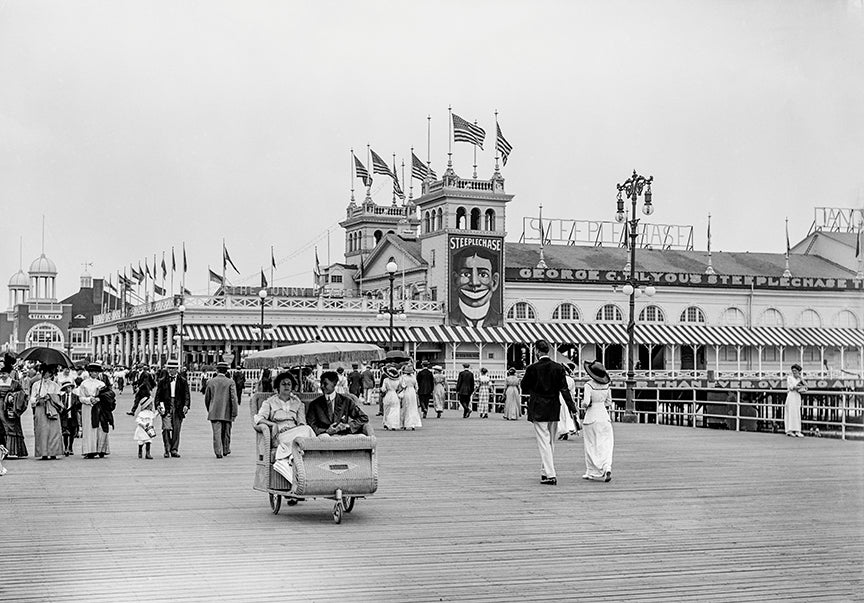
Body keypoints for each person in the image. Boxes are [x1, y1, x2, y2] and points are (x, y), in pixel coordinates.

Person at [520, 340, 577, 486]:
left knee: (543, 441)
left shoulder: (532, 368)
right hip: (553, 406)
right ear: (548, 351)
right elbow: (564, 389)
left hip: (538, 406)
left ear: (537, 351)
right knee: (551, 441)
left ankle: (550, 474)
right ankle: (545, 472)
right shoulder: (558, 368)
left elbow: (524, 386)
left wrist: (536, 386)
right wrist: (572, 408)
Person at [253, 371, 315, 486]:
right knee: (306, 431)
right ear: (277, 386)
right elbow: (258, 418)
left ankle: (297, 461)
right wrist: (273, 425)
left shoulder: (297, 403)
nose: (286, 386)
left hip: (295, 433)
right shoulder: (269, 402)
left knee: (306, 429)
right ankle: (296, 457)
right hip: (280, 435)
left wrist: (296, 429)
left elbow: (302, 423)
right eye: (283, 384)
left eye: (289, 384)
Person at [449, 244, 502, 327]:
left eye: (483, 275)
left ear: (494, 282)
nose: (474, 283)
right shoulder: (449, 319)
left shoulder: (500, 321)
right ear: (455, 280)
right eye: (466, 274)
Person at [306, 370, 370, 436]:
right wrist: (326, 431)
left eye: (325, 384)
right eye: (321, 383)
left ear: (334, 384)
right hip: (323, 437)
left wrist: (347, 426)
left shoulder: (346, 401)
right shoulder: (314, 404)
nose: (322, 386)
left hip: (343, 436)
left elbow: (363, 417)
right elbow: (311, 424)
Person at [581, 360, 614, 482]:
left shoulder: (588, 385)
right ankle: (607, 466)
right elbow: (609, 402)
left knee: (591, 444)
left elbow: (585, 402)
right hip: (604, 417)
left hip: (592, 416)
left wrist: (583, 405)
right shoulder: (607, 385)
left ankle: (591, 471)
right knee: (605, 444)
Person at [155, 360, 190, 458]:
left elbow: (187, 394)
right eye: (169, 368)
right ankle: (167, 448)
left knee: (176, 429)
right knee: (166, 428)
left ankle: (174, 449)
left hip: (178, 406)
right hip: (166, 406)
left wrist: (186, 405)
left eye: (173, 368)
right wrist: (157, 405)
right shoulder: (162, 381)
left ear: (176, 369)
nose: (170, 370)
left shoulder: (182, 380)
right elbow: (158, 395)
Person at [204, 361, 238, 458]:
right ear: (226, 371)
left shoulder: (211, 382)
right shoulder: (230, 382)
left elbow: (207, 398)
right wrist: (234, 412)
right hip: (227, 410)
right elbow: (233, 398)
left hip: (214, 411)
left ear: (217, 370)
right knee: (226, 432)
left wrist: (210, 408)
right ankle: (226, 449)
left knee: (217, 433)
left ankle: (218, 451)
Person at [30, 364, 64, 460]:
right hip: (40, 408)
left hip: (52, 409)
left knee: (54, 431)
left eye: (49, 373)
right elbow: (31, 398)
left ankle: (53, 452)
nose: (46, 375)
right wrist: (36, 399)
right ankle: (43, 452)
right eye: (44, 372)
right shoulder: (36, 385)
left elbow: (59, 398)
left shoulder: (55, 385)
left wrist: (50, 397)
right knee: (41, 431)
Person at [0, 355, 28, 458]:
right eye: (1, 373)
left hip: (10, 408)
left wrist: (13, 396)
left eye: (4, 373)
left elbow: (22, 394)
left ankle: (13, 451)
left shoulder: (15, 383)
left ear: (9, 373)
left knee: (11, 427)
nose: (2, 375)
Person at [58, 377, 79, 456]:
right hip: (64, 417)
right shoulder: (61, 397)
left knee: (72, 433)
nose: (68, 389)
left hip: (73, 417)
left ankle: (70, 447)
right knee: (65, 433)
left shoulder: (76, 397)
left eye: (69, 387)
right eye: (66, 388)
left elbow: (78, 406)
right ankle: (66, 447)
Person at [557, 364, 578, 440]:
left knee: (561, 414)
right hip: (568, 397)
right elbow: (573, 392)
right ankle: (570, 428)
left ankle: (563, 430)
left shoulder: (559, 378)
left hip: (560, 396)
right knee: (568, 413)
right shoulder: (571, 380)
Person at [785, 364, 806, 438]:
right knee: (790, 412)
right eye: (793, 371)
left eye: (795, 371)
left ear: (799, 371)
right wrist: (796, 387)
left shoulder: (799, 379)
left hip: (797, 396)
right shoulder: (789, 378)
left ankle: (797, 430)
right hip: (791, 395)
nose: (794, 372)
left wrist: (800, 377)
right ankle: (789, 430)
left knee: (797, 412)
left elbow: (806, 385)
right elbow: (790, 387)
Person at [133, 394, 157, 460]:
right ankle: (140, 450)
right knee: (141, 441)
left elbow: (153, 416)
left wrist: (158, 412)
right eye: (151, 404)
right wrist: (143, 424)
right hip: (142, 430)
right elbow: (138, 420)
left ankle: (148, 453)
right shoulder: (141, 413)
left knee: (148, 441)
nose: (152, 405)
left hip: (149, 430)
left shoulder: (150, 413)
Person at [379, 365, 402, 431]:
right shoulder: (397, 381)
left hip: (388, 394)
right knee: (395, 410)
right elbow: (399, 388)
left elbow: (383, 389)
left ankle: (386, 423)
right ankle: (394, 424)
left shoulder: (386, 380)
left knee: (387, 410)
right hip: (395, 395)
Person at [400, 364, 422, 430]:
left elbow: (403, 385)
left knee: (405, 407)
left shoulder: (403, 377)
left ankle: (404, 423)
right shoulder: (413, 377)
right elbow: (417, 387)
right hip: (413, 392)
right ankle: (413, 424)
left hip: (407, 391)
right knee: (413, 407)